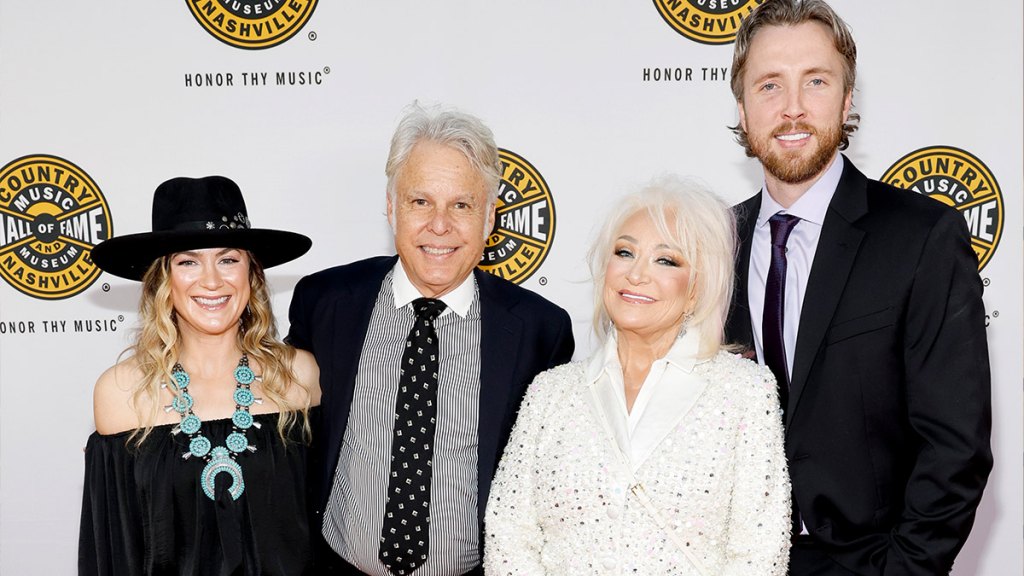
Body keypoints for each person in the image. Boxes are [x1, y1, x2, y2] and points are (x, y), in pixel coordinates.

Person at [724, 1, 993, 574]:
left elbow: (955, 448)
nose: (793, 108)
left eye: (815, 81)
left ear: (847, 100)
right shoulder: (709, 245)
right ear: (743, 109)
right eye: (769, 85)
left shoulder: (921, 238)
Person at [287, 103, 574, 576]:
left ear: (489, 217)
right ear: (391, 206)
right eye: (421, 201)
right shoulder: (326, 303)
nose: (439, 225)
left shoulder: (540, 331)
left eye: (461, 205)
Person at [485, 177, 791, 575]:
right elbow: (509, 533)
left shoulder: (745, 392)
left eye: (666, 260)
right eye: (625, 252)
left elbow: (758, 552)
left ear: (696, 287)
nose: (636, 274)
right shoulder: (550, 393)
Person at [79, 175, 321, 576]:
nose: (212, 280)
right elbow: (115, 551)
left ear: (251, 274)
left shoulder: (298, 376)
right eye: (188, 262)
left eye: (228, 259)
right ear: (163, 279)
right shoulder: (120, 393)